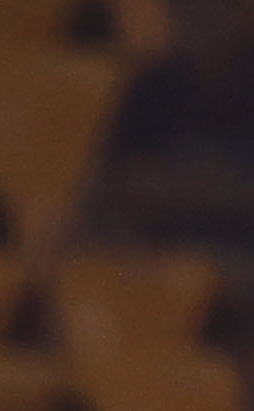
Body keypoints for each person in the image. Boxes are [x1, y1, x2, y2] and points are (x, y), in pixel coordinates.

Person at [78, 0, 254, 261]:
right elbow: (107, 190)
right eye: (187, 8)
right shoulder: (152, 87)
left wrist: (202, 191)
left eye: (213, 8)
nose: (200, 18)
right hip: (165, 264)